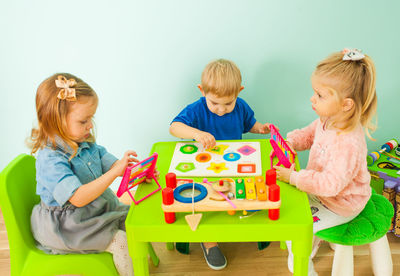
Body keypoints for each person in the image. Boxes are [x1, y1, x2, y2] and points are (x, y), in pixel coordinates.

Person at [28, 73, 154, 276]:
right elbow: (78, 198)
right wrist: (114, 172)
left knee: (135, 219)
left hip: (93, 211)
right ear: (55, 122)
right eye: (83, 121)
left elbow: (109, 162)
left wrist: (137, 173)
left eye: (91, 118)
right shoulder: (50, 159)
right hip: (69, 226)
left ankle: (139, 265)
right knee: (120, 241)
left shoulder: (83, 143)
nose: (90, 126)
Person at [274, 48, 377, 276]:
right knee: (288, 204)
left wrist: (294, 177)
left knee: (295, 232)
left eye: (320, 95)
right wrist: (289, 142)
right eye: (315, 93)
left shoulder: (348, 142)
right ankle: (317, 237)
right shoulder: (327, 118)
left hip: (342, 203)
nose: (313, 99)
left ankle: (304, 263)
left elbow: (331, 185)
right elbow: (308, 135)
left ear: (346, 104)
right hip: (322, 193)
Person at [169, 59, 275, 270]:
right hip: (205, 167)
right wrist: (197, 134)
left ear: (239, 92)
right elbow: (174, 127)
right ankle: (209, 241)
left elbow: (249, 124)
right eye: (214, 103)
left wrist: (260, 128)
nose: (221, 110)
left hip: (236, 165)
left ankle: (249, 225)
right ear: (202, 91)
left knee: (245, 193)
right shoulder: (197, 109)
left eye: (228, 103)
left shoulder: (241, 106)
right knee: (205, 200)